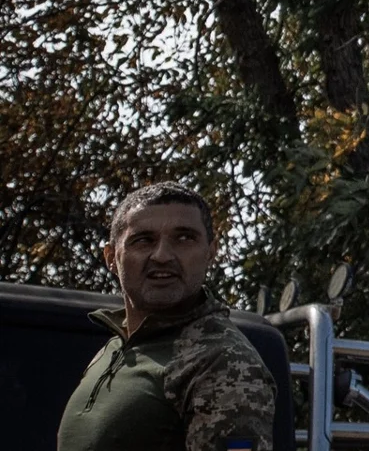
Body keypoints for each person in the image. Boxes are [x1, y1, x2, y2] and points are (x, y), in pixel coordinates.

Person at [58, 181, 276, 451]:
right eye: (143, 240)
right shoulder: (115, 347)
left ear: (211, 252)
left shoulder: (221, 360)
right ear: (111, 257)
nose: (162, 255)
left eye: (184, 238)